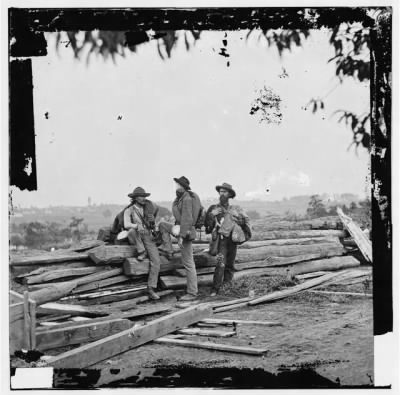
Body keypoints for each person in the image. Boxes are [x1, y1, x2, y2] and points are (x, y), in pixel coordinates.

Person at [159, 176, 202, 301]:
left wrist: (182, 237)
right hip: (179, 228)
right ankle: (168, 249)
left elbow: (187, 218)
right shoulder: (180, 198)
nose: (175, 186)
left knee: (188, 263)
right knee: (162, 225)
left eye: (177, 185)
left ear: (183, 186)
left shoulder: (187, 199)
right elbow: (179, 217)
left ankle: (192, 292)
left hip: (186, 232)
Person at [204, 182, 251, 297]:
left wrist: (241, 222)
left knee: (230, 265)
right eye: (220, 192)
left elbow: (244, 225)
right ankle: (215, 289)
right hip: (221, 241)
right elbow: (207, 228)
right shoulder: (213, 208)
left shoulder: (235, 209)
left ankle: (227, 286)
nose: (222, 194)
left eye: (224, 192)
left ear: (229, 194)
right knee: (220, 264)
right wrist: (211, 215)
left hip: (233, 241)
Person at [123, 186, 161, 300]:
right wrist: (137, 225)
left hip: (148, 235)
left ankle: (151, 287)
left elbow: (156, 211)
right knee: (131, 231)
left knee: (156, 261)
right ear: (135, 198)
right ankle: (141, 250)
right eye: (140, 196)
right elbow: (126, 224)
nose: (143, 198)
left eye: (144, 196)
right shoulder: (129, 210)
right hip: (136, 235)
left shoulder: (149, 207)